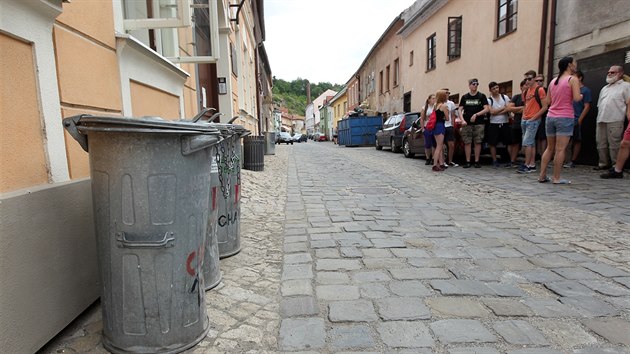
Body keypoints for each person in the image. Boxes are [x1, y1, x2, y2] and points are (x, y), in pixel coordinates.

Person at [537, 56, 582, 184]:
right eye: (574, 63)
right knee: (560, 149)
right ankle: (556, 178)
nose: (575, 66)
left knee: (549, 148)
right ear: (569, 65)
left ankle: (542, 175)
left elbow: (548, 101)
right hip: (565, 116)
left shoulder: (553, 81)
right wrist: (581, 95)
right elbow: (577, 98)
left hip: (551, 116)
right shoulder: (572, 79)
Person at [594, 65, 630, 170]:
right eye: (608, 72)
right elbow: (599, 104)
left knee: (615, 143)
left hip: (615, 118)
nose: (609, 74)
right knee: (601, 142)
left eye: (612, 72)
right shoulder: (604, 88)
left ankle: (616, 165)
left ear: (620, 73)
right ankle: (603, 163)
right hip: (601, 118)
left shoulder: (626, 86)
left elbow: (628, 103)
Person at [518, 70, 547, 173]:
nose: (527, 81)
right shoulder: (526, 91)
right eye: (525, 79)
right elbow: (525, 105)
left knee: (527, 143)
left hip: (533, 120)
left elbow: (545, 107)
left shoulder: (539, 90)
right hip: (525, 119)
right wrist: (523, 117)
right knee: (531, 143)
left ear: (534, 78)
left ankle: (527, 165)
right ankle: (532, 164)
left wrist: (534, 117)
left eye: (529, 79)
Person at [458, 78, 490, 168]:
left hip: (479, 123)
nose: (475, 85)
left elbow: (486, 108)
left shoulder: (481, 96)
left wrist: (476, 114)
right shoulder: (465, 97)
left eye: (476, 84)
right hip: (467, 123)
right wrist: (462, 120)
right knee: (467, 142)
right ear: (469, 85)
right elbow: (460, 109)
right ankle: (468, 161)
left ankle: (477, 161)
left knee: (478, 142)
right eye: (473, 84)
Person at [564, 70, 591, 168]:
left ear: (579, 78)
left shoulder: (585, 90)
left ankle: (573, 160)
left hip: (576, 117)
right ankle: (564, 159)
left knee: (576, 140)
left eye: (573, 76)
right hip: (567, 117)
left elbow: (587, 106)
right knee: (565, 140)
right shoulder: (570, 90)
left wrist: (580, 119)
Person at [486, 81, 511, 167]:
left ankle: (509, 159)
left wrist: (498, 111)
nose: (496, 90)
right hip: (494, 123)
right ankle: (494, 160)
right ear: (490, 90)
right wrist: (503, 108)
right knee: (493, 143)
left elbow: (508, 108)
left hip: (505, 122)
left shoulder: (505, 97)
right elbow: (491, 112)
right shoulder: (489, 100)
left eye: (497, 88)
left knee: (508, 142)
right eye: (493, 89)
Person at [506, 80, 527, 167]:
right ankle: (513, 161)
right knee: (515, 143)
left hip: (527, 122)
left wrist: (517, 109)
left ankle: (527, 162)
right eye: (525, 85)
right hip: (517, 123)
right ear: (521, 87)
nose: (527, 86)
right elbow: (509, 108)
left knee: (526, 143)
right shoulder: (516, 97)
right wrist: (523, 108)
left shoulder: (531, 97)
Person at [431, 90, 449, 171]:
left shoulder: (435, 105)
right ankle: (435, 164)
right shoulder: (444, 106)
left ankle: (441, 164)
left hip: (435, 126)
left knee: (439, 146)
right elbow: (447, 118)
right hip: (440, 125)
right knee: (439, 146)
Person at [443, 88, 459, 167]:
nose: (447, 94)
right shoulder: (439, 103)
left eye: (448, 93)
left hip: (449, 126)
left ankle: (450, 161)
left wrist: (452, 125)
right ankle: (442, 161)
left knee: (451, 144)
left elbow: (453, 115)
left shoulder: (451, 103)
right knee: (442, 145)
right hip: (442, 126)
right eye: (446, 93)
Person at [420, 94, 437, 165]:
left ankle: (433, 158)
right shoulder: (425, 108)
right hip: (427, 127)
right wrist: (422, 128)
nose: (434, 100)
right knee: (427, 144)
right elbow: (422, 119)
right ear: (429, 100)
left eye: (435, 98)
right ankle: (427, 158)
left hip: (434, 126)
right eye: (433, 98)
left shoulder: (436, 107)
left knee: (434, 144)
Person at [535, 74, 548, 160]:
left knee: (543, 136)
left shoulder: (546, 90)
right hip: (534, 115)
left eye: (541, 80)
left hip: (544, 115)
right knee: (536, 136)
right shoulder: (533, 91)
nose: (539, 82)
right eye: (537, 80)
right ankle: (537, 154)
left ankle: (543, 155)